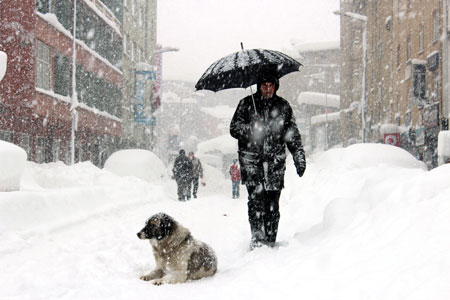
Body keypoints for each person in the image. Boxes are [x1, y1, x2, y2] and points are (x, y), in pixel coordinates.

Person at [230, 69, 306, 250]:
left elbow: (292, 135)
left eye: (271, 85)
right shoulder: (246, 104)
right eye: (264, 85)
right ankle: (257, 240)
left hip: (274, 164)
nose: (268, 89)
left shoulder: (283, 107)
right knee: (256, 202)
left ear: (276, 86)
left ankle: (270, 241)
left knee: (272, 203)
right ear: (259, 86)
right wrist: (252, 128)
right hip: (251, 163)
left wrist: (299, 156)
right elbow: (234, 128)